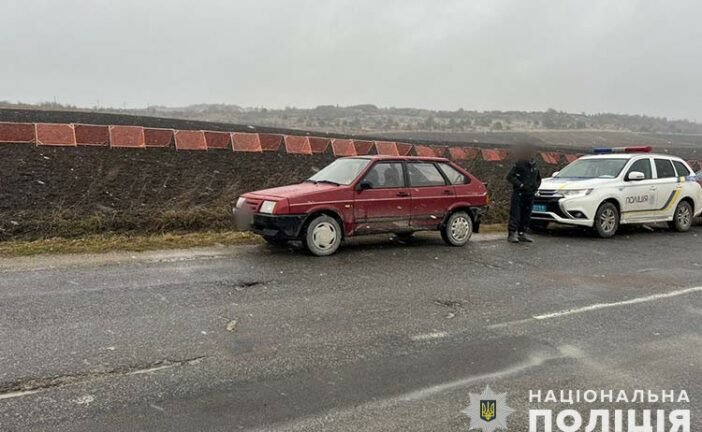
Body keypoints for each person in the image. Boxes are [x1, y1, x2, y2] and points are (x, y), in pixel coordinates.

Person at [505, 144, 541, 243]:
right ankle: (512, 234)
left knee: (526, 214)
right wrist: (520, 185)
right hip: (519, 194)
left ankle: (522, 233)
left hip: (530, 194)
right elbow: (510, 176)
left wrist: (536, 186)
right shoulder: (519, 164)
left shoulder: (534, 165)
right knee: (516, 214)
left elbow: (538, 178)